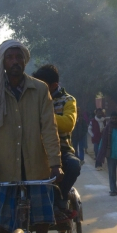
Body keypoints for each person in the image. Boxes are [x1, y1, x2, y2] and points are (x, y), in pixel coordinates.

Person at [0, 40, 63, 233]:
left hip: (36, 163)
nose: (15, 62)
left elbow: (49, 128)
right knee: (4, 212)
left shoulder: (39, 89)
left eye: (19, 57)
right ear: (3, 62)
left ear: (24, 61)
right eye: (10, 57)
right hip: (7, 164)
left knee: (42, 214)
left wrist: (56, 164)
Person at [33, 64, 81, 218]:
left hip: (62, 149)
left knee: (74, 165)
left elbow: (68, 123)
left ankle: (60, 198)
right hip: (36, 149)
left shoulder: (68, 100)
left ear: (53, 85)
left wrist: (44, 118)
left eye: (43, 85)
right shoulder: (32, 99)